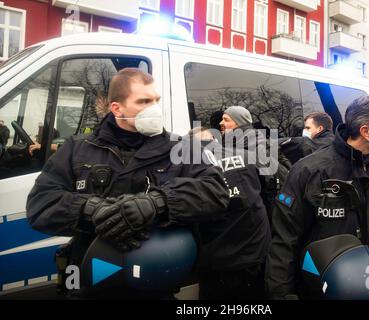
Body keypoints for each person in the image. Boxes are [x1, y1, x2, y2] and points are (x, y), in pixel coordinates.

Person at [26, 68, 229, 298]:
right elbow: (41, 204)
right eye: (143, 101)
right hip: (91, 282)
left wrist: (157, 203)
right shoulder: (77, 149)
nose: (154, 108)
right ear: (117, 108)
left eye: (156, 100)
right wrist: (91, 209)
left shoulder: (181, 148)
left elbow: (215, 191)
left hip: (153, 284)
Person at [266, 96, 369, 300]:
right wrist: (282, 294)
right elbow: (284, 240)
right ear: (366, 131)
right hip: (321, 290)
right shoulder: (309, 171)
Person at [189, 125, 271, 300]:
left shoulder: (188, 166)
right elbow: (266, 191)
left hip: (216, 261)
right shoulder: (247, 156)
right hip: (255, 252)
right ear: (215, 139)